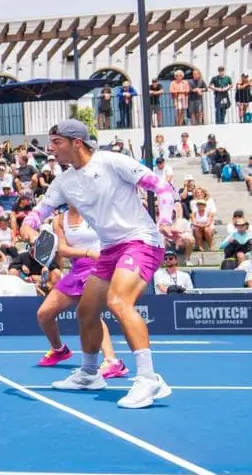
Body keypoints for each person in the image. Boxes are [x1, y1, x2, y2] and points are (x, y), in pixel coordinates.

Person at [21, 120, 180, 409]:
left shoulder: (112, 161)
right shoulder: (63, 182)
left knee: (118, 301)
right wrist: (29, 228)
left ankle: (148, 379)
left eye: (56, 142)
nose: (51, 148)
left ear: (76, 142)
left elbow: (162, 187)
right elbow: (37, 213)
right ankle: (90, 373)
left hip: (141, 241)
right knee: (87, 311)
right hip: (109, 249)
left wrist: (166, 221)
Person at [34, 206, 127, 379]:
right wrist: (88, 252)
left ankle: (112, 361)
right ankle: (59, 350)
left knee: (90, 313)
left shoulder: (97, 212)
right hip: (77, 269)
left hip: (99, 267)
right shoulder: (59, 220)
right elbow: (63, 250)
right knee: (44, 314)